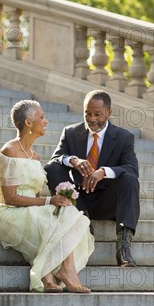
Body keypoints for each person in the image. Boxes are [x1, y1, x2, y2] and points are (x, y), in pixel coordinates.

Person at [0, 99, 94, 293]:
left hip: (29, 209)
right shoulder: (9, 150)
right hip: (7, 212)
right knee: (42, 218)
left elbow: (36, 195)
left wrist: (59, 200)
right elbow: (10, 198)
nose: (46, 121)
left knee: (67, 212)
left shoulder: (35, 157)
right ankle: (57, 274)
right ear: (28, 123)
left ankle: (58, 273)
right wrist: (48, 201)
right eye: (42, 117)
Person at [45, 90, 139, 266]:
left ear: (109, 113)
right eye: (87, 113)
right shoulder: (71, 132)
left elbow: (132, 169)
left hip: (106, 201)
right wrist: (73, 160)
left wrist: (103, 171)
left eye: (98, 114)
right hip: (77, 201)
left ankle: (124, 246)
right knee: (52, 168)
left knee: (130, 179)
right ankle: (82, 223)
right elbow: (55, 159)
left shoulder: (124, 137)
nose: (92, 118)